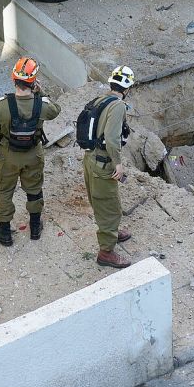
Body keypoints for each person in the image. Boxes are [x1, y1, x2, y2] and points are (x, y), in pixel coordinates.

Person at [0, 57, 60, 246]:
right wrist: (42, 93)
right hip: (33, 154)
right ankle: (34, 228)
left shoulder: (1, 106)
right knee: (34, 189)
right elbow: (56, 110)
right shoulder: (43, 105)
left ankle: (5, 234)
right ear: (33, 82)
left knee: (4, 191)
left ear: (13, 78)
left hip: (8, 156)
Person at [83, 66, 135, 268]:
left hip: (90, 159)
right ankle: (106, 252)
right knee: (110, 207)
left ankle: (112, 233)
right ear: (128, 87)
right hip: (103, 164)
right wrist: (118, 164)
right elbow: (113, 140)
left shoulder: (101, 100)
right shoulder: (118, 106)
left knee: (102, 202)